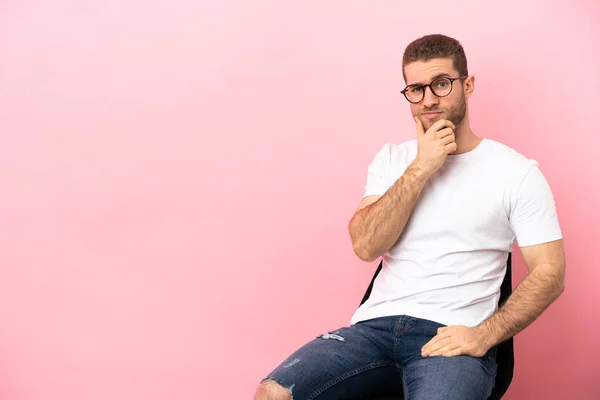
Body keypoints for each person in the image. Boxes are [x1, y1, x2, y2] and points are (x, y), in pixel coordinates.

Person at [253, 33, 566, 400]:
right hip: (373, 330)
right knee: (273, 393)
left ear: (468, 85)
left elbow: (550, 273)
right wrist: (421, 167)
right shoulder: (393, 160)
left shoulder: (516, 172)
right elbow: (366, 245)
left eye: (441, 84)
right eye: (415, 89)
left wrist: (484, 335)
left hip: (450, 336)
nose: (428, 99)